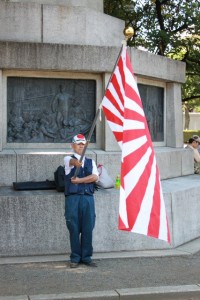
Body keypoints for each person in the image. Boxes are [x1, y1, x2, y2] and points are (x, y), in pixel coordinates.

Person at [64, 134, 99, 268]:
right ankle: (75, 258)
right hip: (73, 199)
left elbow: (95, 177)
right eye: (78, 143)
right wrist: (76, 163)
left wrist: (79, 181)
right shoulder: (68, 159)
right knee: (73, 227)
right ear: (72, 145)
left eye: (83, 144)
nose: (81, 146)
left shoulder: (91, 162)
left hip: (88, 199)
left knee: (88, 227)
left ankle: (86, 257)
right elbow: (72, 163)